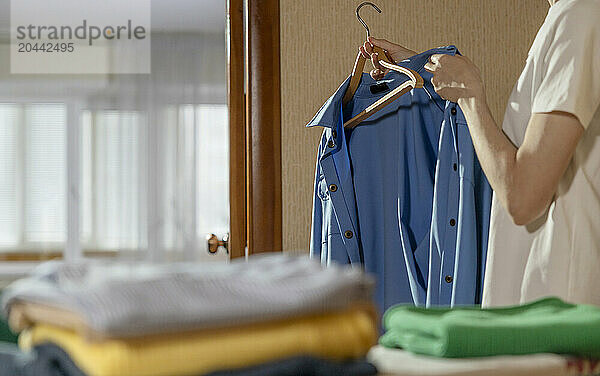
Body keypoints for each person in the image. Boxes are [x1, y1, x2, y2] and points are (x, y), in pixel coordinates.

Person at [359, 0, 600, 307]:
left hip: (558, 306)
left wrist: (470, 97)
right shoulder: (569, 17)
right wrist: (421, 69)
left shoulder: (581, 15)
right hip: (548, 297)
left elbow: (522, 197)